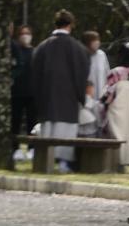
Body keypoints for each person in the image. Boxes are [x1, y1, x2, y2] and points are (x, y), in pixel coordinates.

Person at [30, 10, 90, 171]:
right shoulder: (78, 49)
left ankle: (44, 161)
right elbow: (81, 75)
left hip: (46, 100)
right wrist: (81, 97)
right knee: (66, 133)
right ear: (70, 25)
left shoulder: (42, 48)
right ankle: (63, 162)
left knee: (48, 130)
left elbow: (34, 76)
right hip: (68, 101)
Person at [101, 41, 129, 171]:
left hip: (116, 103)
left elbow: (109, 90)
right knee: (128, 130)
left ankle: (115, 159)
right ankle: (126, 159)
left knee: (115, 130)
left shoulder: (115, 72)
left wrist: (103, 102)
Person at [9, 23, 36, 157]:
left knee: (32, 122)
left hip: (32, 93)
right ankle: (15, 148)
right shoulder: (15, 51)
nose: (25, 36)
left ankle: (32, 147)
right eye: (22, 33)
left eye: (28, 33)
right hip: (17, 92)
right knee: (15, 121)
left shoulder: (35, 52)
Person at [79, 30, 108, 137]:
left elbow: (107, 73)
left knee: (100, 122)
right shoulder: (82, 55)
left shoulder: (101, 55)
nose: (97, 43)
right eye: (94, 40)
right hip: (87, 96)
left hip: (101, 95)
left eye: (98, 40)